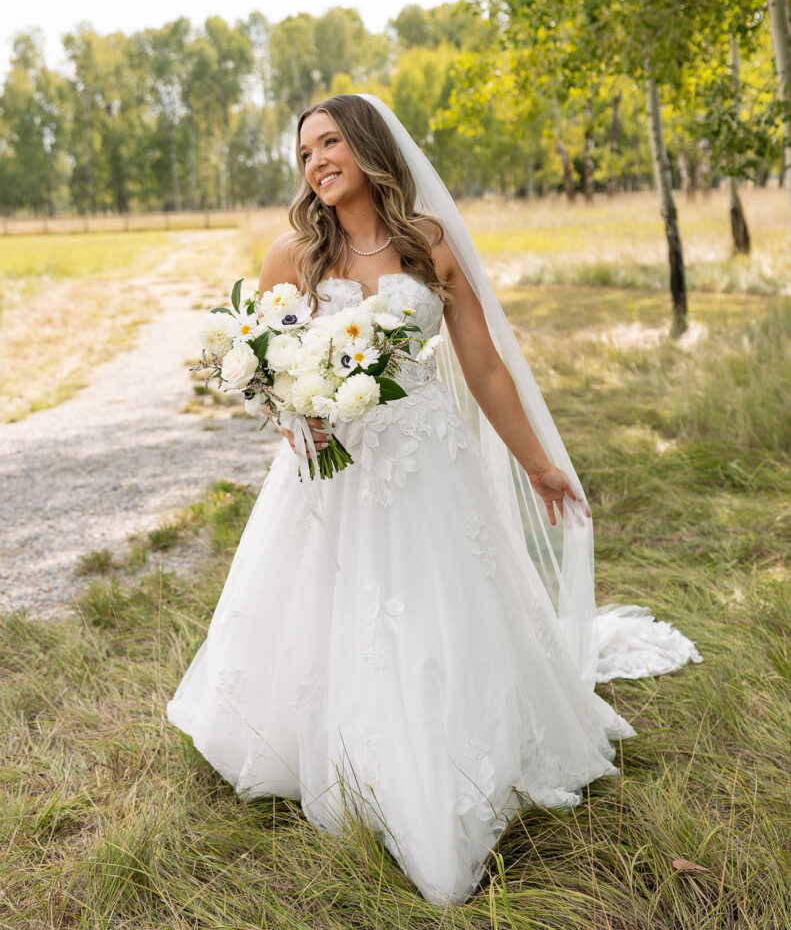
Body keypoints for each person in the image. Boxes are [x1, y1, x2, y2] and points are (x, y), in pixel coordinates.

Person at [167, 93, 701, 907]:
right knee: (334, 611)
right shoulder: (291, 255)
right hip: (334, 471)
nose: (316, 162)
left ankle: (447, 761)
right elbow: (266, 363)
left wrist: (536, 462)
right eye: (305, 152)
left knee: (433, 614)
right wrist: (291, 422)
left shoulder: (429, 246)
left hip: (426, 461)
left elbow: (483, 367)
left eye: (330, 142)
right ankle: (338, 756)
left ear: (371, 148)